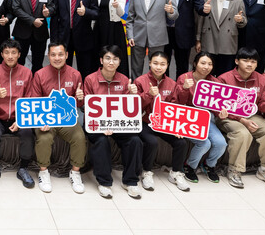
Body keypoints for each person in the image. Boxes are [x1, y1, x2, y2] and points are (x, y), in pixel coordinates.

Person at [83, 45, 143, 198]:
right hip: (97, 124)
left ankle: (130, 181)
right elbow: (86, 107)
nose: (111, 62)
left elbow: (129, 109)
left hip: (118, 124)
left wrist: (133, 95)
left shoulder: (124, 80)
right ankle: (104, 182)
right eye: (108, 58)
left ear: (119, 62)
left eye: (115, 59)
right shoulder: (90, 79)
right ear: (101, 60)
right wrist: (101, 125)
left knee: (134, 140)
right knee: (101, 141)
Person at [218, 47, 265, 189]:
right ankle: (234, 170)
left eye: (253, 61)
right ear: (236, 61)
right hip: (227, 115)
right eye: (245, 60)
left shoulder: (261, 79)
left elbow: (263, 107)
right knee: (242, 133)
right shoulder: (224, 78)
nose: (249, 64)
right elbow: (218, 106)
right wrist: (242, 120)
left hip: (251, 114)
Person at [29, 43, 89, 193]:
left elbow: (78, 104)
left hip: (66, 119)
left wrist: (80, 98)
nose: (57, 58)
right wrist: (41, 121)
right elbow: (35, 101)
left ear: (67, 55)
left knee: (79, 137)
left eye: (60, 54)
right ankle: (43, 172)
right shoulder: (40, 74)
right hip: (46, 119)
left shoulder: (75, 74)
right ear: (48, 56)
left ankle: (75, 172)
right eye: (53, 55)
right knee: (44, 138)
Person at [135, 51, 191, 192]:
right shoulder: (140, 81)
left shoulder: (171, 83)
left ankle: (176, 172)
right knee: (152, 142)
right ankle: (147, 172)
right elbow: (135, 107)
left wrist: (176, 126)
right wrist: (149, 95)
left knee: (181, 142)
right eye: (155, 63)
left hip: (165, 123)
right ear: (149, 63)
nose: (158, 67)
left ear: (167, 66)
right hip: (145, 121)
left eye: (162, 64)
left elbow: (176, 105)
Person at [0, 39, 35, 188]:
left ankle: (23, 168)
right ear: (2, 54)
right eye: (7, 52)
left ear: (19, 54)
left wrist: (21, 119)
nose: (10, 56)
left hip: (18, 117)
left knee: (27, 132)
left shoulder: (26, 73)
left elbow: (29, 98)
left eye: (13, 52)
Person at [174, 51, 227, 183]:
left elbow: (216, 105)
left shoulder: (214, 81)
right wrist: (185, 88)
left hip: (206, 118)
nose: (206, 67)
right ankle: (190, 166)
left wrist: (220, 113)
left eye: (210, 64)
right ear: (195, 64)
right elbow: (178, 103)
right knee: (205, 143)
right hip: (187, 117)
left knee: (221, 143)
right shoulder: (184, 78)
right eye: (203, 63)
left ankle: (209, 165)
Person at [126, 0, 178, 78]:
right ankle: (136, 88)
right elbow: (130, 18)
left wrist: (171, 11)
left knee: (156, 68)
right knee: (135, 68)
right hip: (137, 37)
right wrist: (130, 36)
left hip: (158, 36)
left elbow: (175, 15)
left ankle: (155, 88)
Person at [50, 0, 99, 79]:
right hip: (63, 38)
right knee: (63, 72)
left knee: (86, 71)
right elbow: (55, 17)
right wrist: (54, 40)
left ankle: (85, 90)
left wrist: (86, 12)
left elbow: (96, 13)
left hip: (84, 38)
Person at [159, 0, 206, 78]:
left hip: (184, 32)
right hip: (163, 31)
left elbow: (200, 8)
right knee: (162, 65)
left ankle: (181, 88)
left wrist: (205, 10)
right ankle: (165, 87)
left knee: (182, 66)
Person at [196, 0, 248, 76]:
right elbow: (200, 21)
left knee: (224, 75)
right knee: (207, 74)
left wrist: (240, 20)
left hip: (228, 42)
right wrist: (198, 40)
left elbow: (243, 21)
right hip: (209, 40)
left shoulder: (237, 0)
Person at [12, 0, 55, 72]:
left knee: (38, 63)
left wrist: (48, 11)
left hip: (40, 32)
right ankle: (20, 83)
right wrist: (32, 20)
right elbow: (16, 8)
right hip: (22, 31)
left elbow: (52, 7)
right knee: (18, 63)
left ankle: (36, 83)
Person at [93, 0, 129, 78]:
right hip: (99, 28)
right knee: (99, 55)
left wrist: (117, 6)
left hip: (114, 29)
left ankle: (119, 81)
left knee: (115, 54)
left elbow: (121, 13)